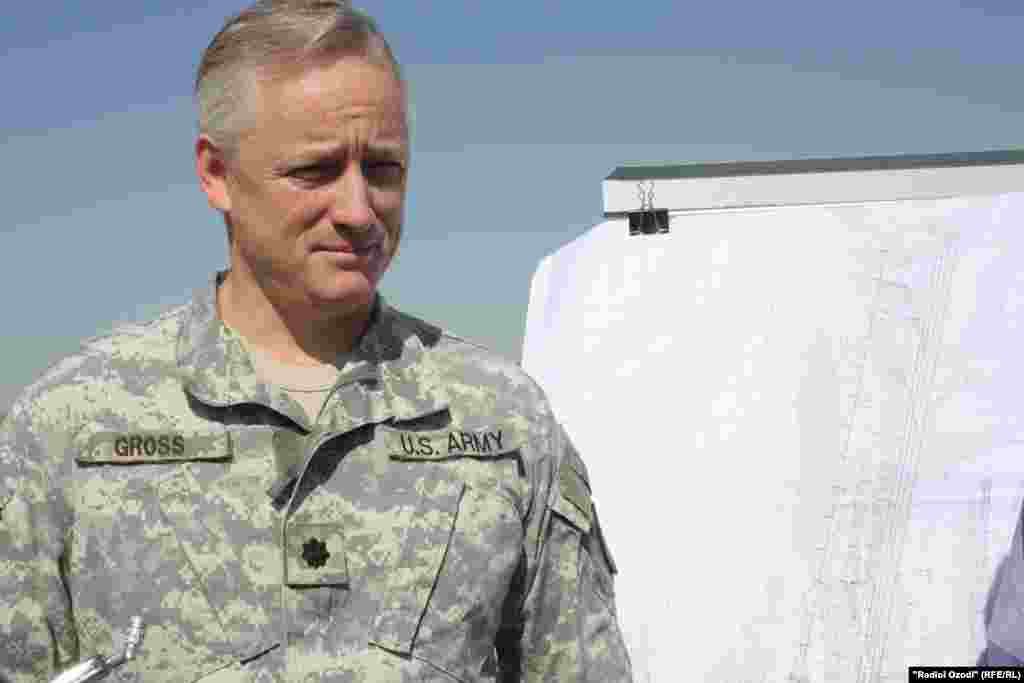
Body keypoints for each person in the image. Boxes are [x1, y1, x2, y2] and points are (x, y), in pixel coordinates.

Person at [0, 2, 632, 681]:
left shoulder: (502, 423)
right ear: (216, 174)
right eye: (315, 171)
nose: (358, 210)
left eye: (383, 169)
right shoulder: (70, 429)